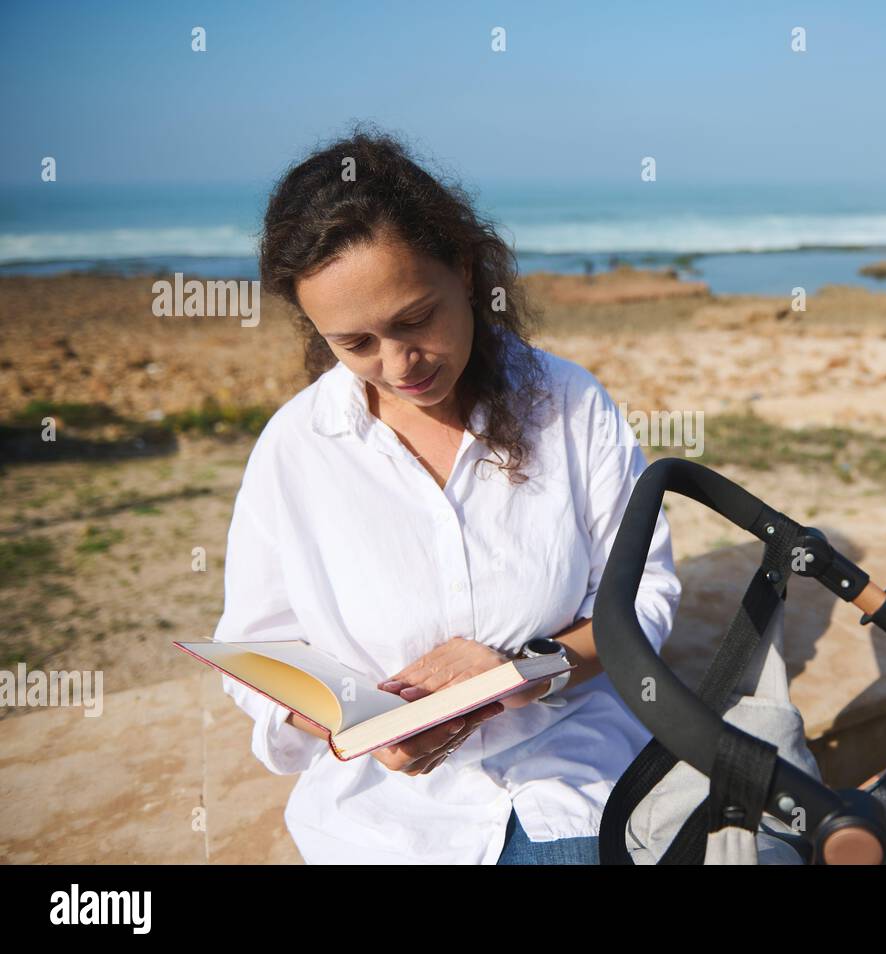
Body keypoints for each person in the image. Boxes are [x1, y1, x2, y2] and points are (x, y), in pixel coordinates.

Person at [212, 128, 681, 864]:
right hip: (388, 818)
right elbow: (258, 656)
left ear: (463, 269)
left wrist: (528, 669)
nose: (399, 366)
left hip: (575, 779)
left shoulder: (569, 403)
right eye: (354, 343)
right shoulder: (295, 446)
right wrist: (350, 727)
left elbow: (644, 599)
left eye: (413, 320)